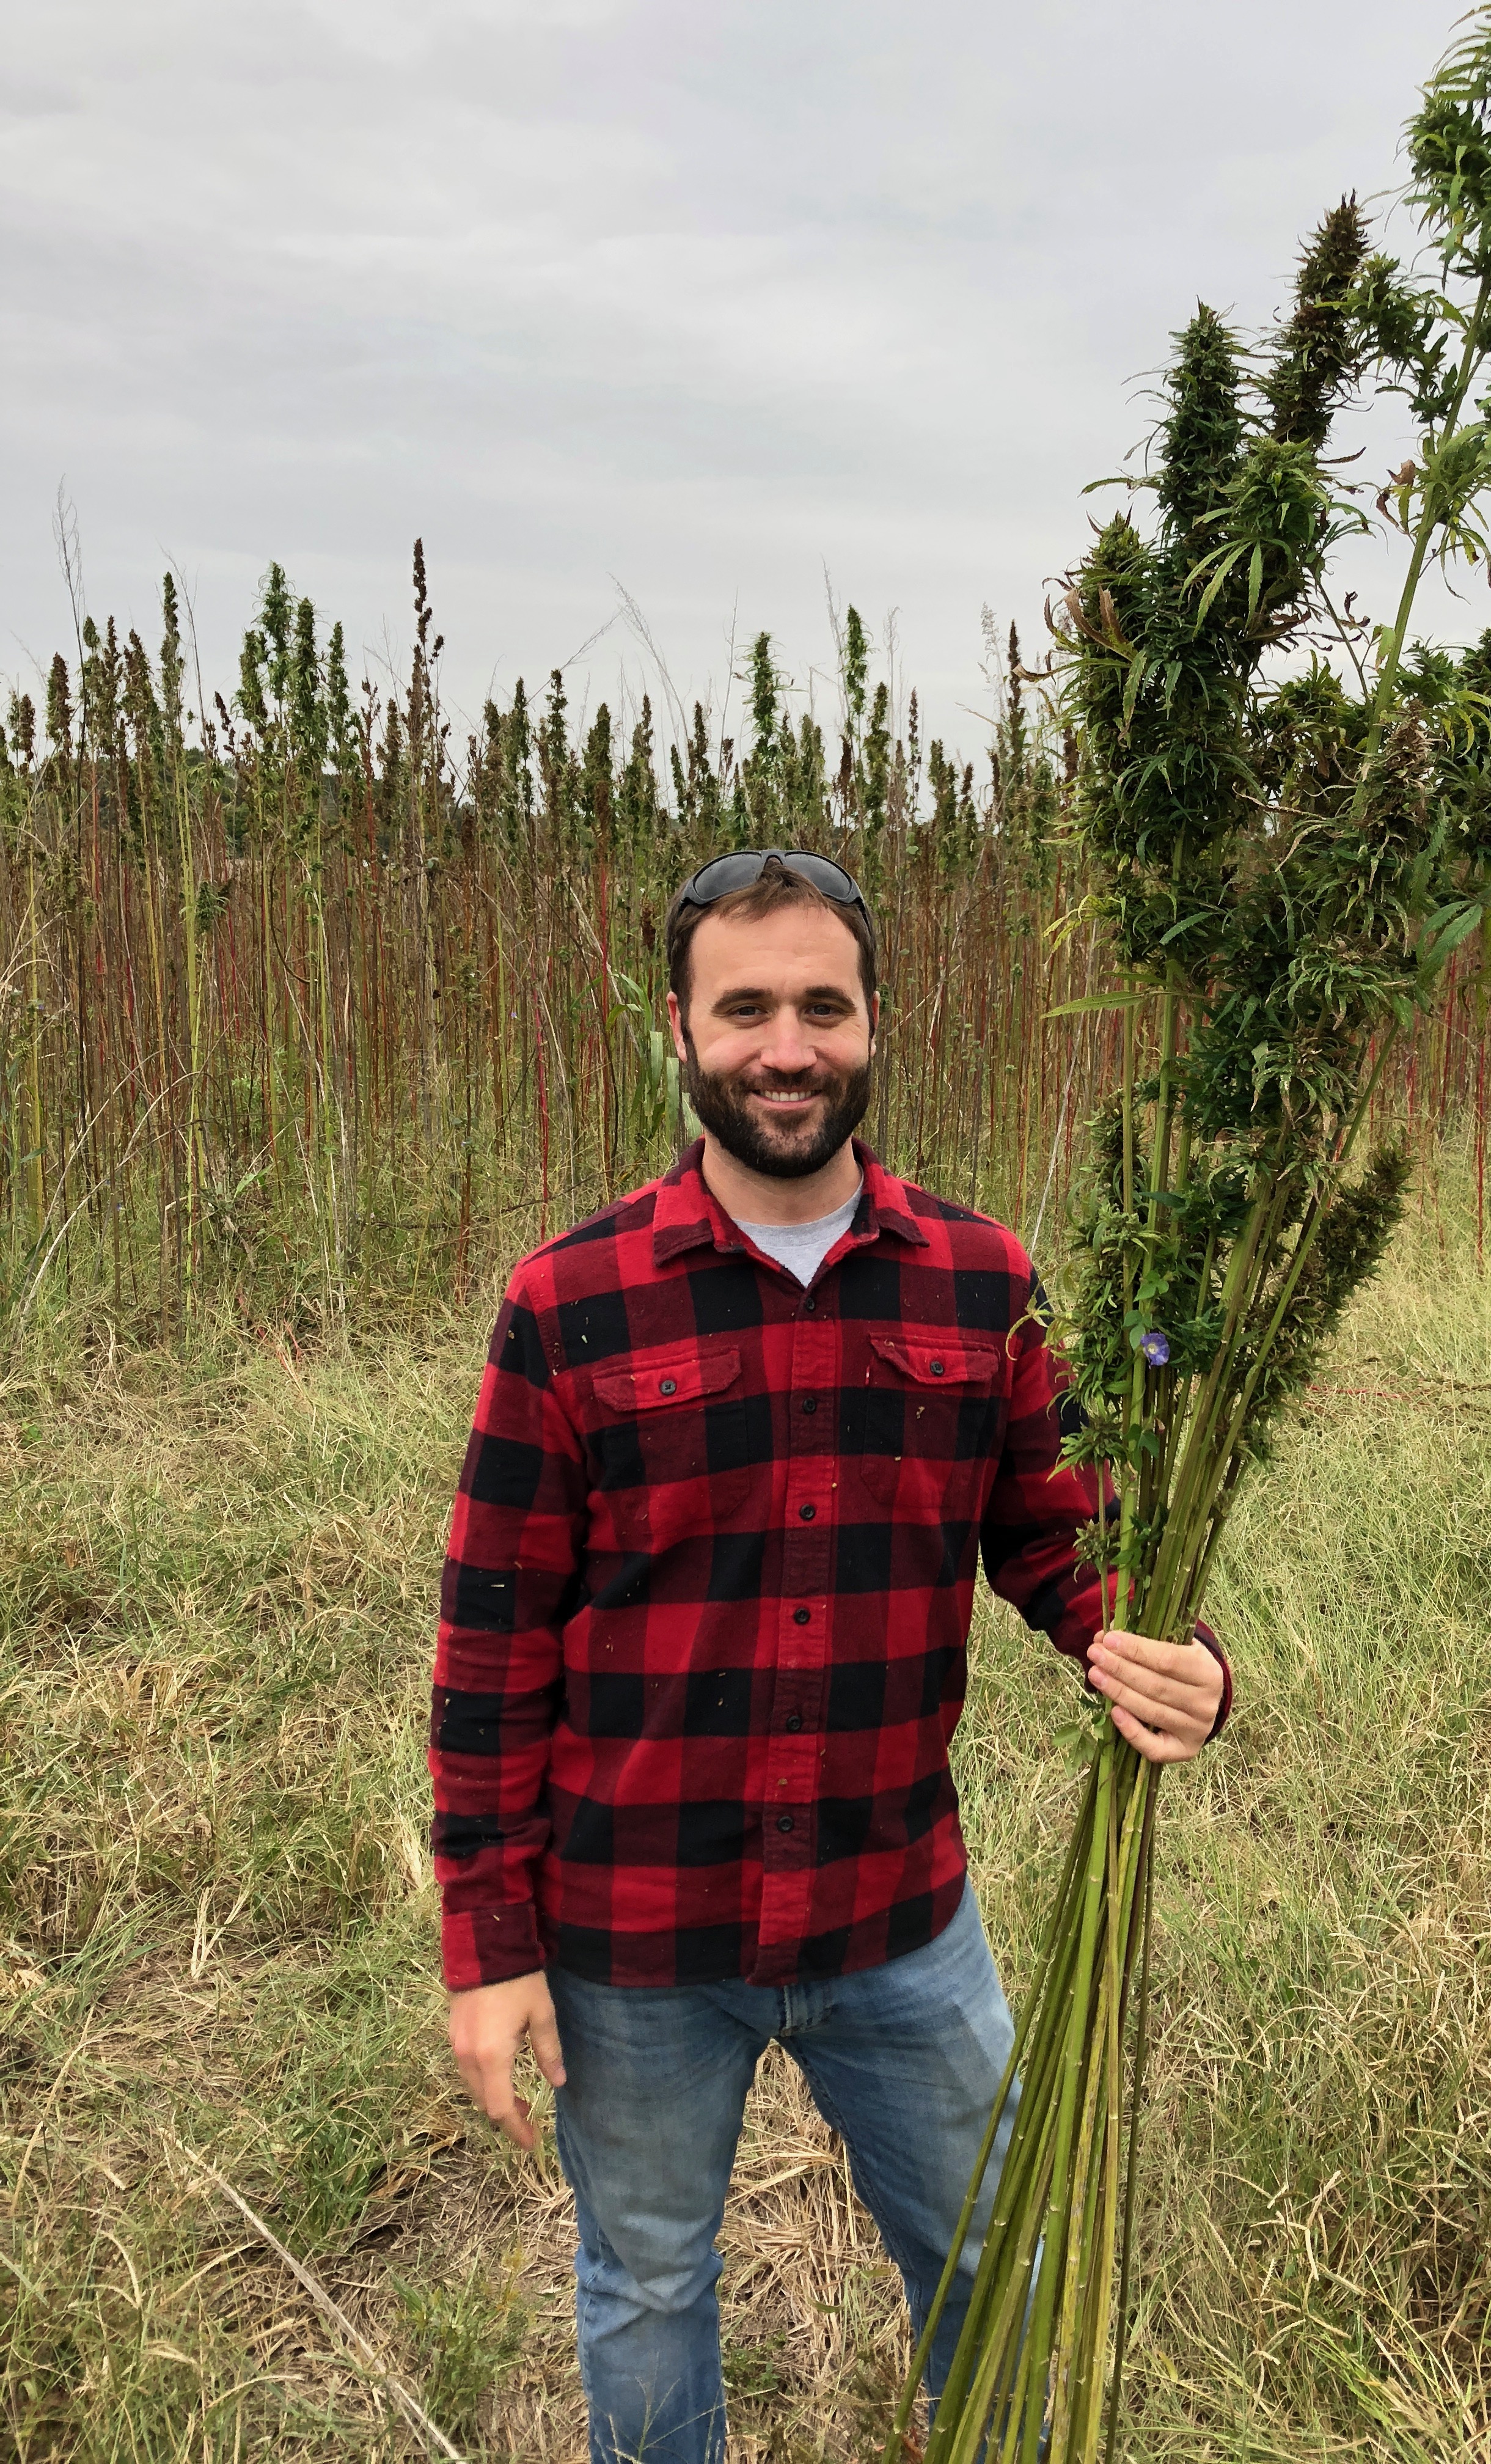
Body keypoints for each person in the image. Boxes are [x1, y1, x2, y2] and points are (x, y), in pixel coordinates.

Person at [430, 848, 1230, 2463]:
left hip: (895, 1916)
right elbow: (490, 1642)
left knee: (998, 2265)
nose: (785, 1046)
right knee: (648, 2292)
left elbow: (1063, 1541)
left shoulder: (985, 1281)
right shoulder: (569, 1303)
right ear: (678, 1029)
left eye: (821, 1006)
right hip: (635, 1935)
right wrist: (492, 1942)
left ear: (874, 1025)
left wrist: (1162, 1655)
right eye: (745, 1010)